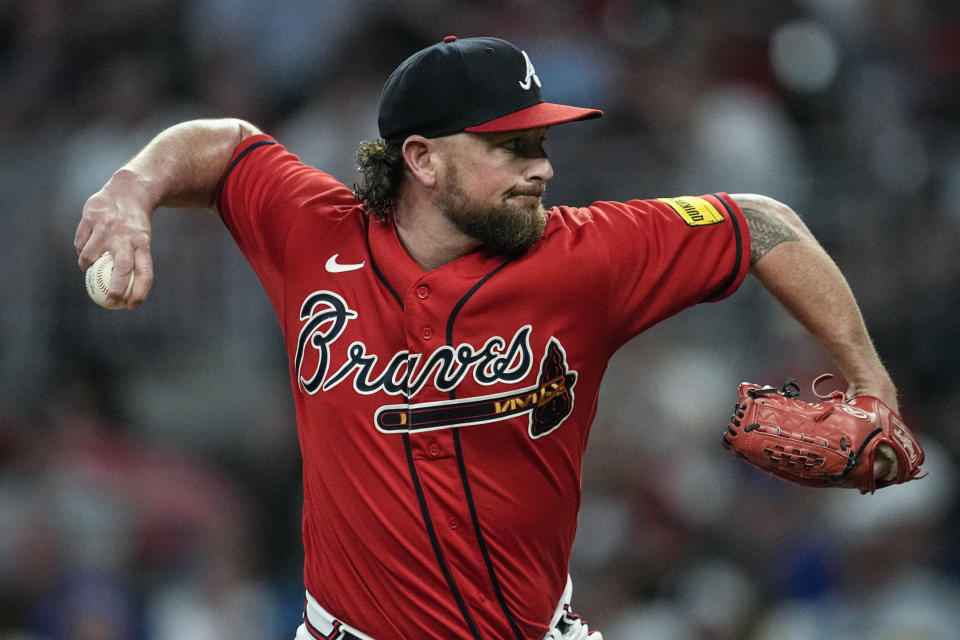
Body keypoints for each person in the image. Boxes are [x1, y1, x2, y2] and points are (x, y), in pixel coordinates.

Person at [75, 36, 902, 640]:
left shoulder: (587, 256)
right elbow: (225, 146)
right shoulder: (311, 232)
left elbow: (761, 224)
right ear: (423, 160)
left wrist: (872, 385)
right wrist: (130, 187)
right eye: (509, 147)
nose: (540, 167)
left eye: (540, 143)